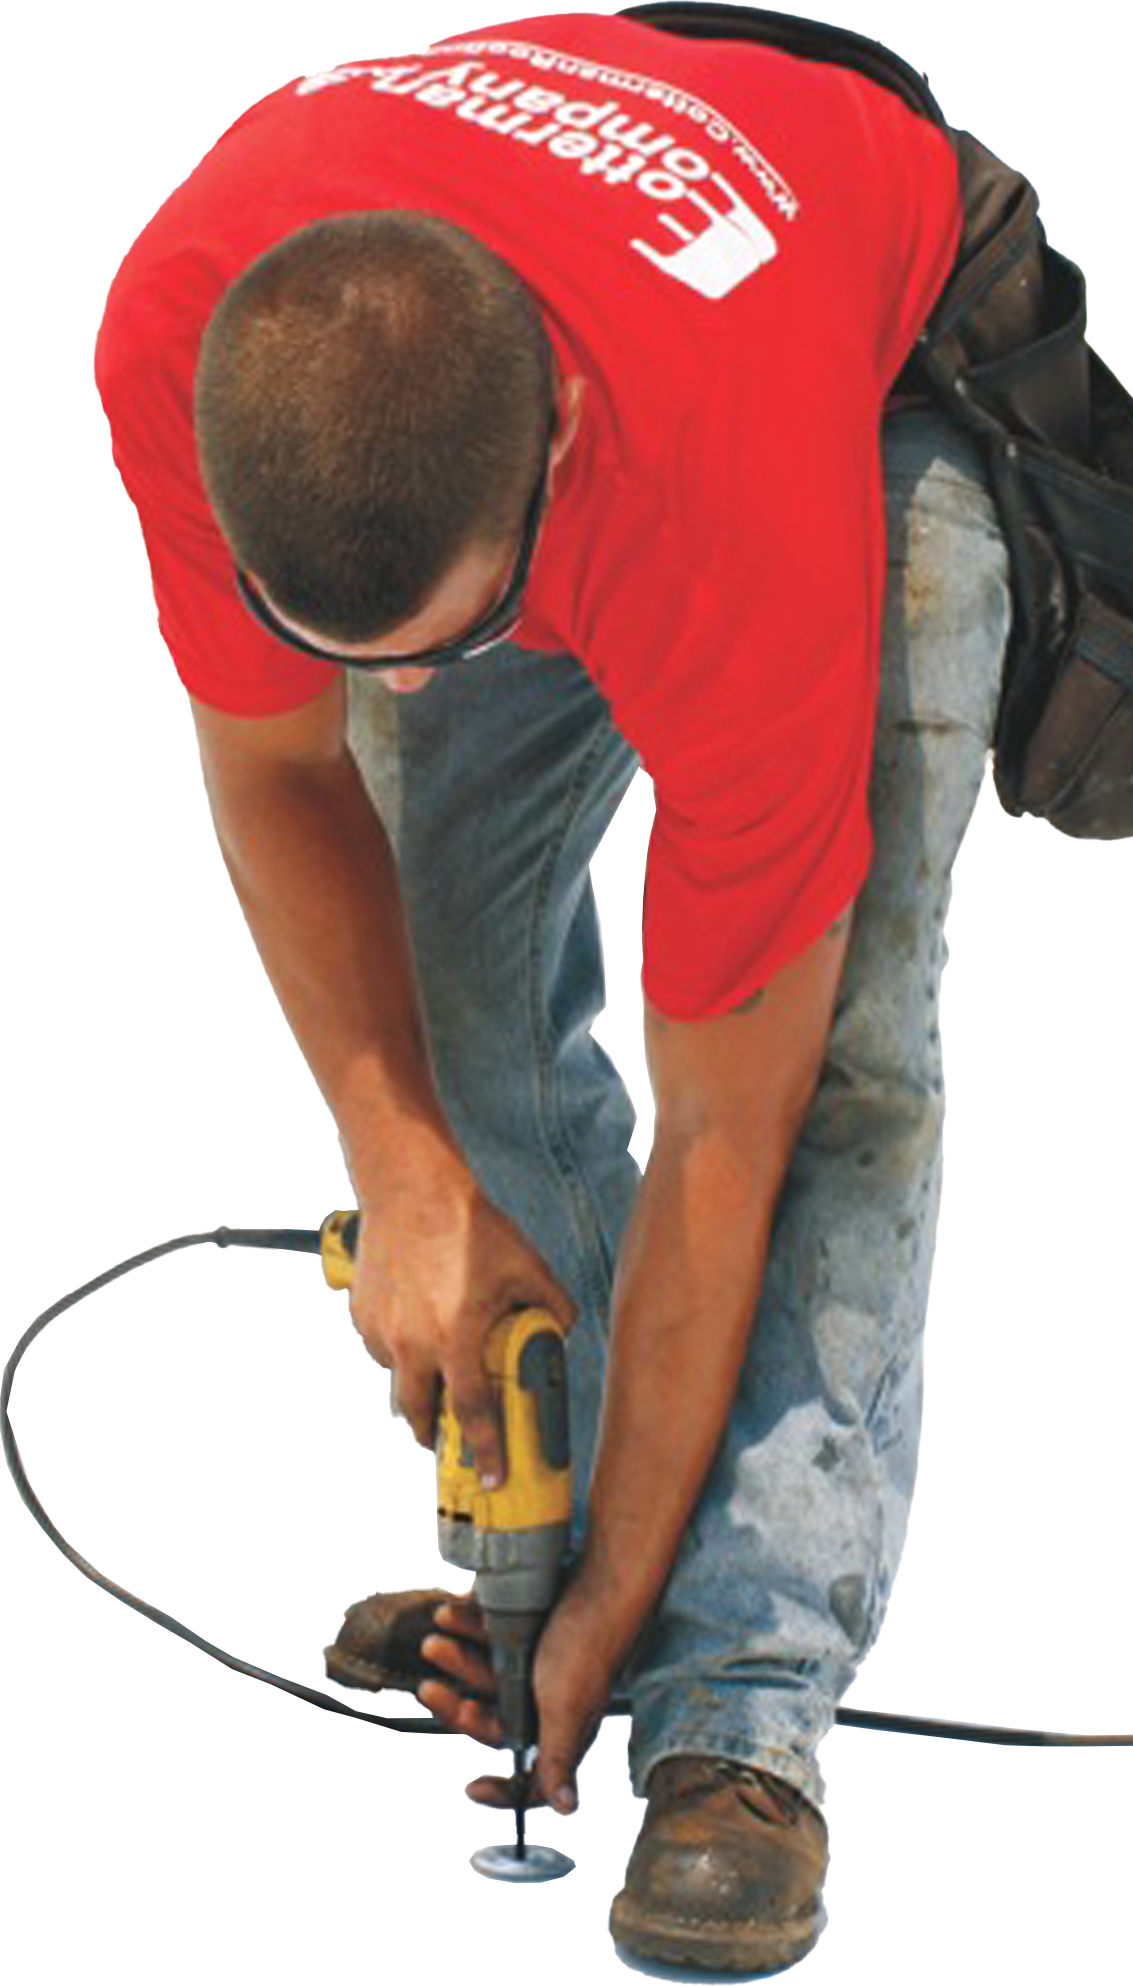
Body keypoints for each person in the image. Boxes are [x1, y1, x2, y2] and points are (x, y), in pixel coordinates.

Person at [96, 9, 1011, 1969]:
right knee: (458, 1013)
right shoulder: (183, 330)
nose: (406, 695)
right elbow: (278, 771)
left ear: (561, 459)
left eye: (447, 640)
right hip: (528, 408)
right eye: (363, 654)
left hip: (855, 373)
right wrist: (405, 1169)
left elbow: (730, 1128)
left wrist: (608, 1630)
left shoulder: (730, 501)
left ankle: (733, 1700)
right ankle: (560, 1539)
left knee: (848, 1066)